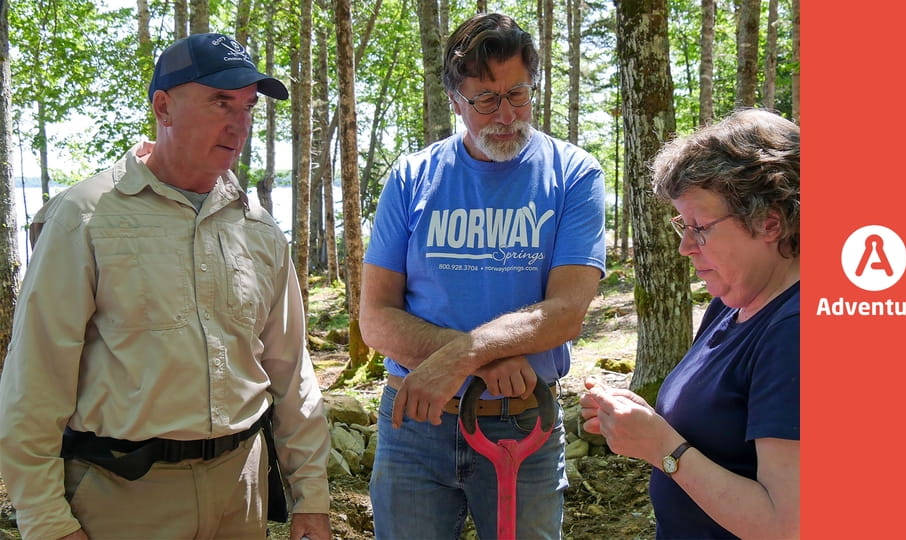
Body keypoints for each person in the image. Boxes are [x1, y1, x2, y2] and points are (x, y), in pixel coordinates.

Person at [0, 33, 332, 540]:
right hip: (123, 495)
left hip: (242, 491)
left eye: (247, 107)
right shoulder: (86, 218)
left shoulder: (258, 229)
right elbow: (34, 379)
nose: (239, 124)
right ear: (163, 107)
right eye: (220, 102)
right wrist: (47, 521)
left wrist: (312, 495)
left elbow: (290, 370)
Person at [359, 12, 606, 540]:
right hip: (416, 420)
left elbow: (566, 312)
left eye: (518, 94)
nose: (506, 115)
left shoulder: (574, 174)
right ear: (455, 101)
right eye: (486, 100)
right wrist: (479, 359)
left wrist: (463, 358)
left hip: (524, 422)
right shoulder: (411, 178)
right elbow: (376, 318)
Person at [580, 108, 800, 539]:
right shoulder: (732, 303)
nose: (685, 246)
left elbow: (785, 526)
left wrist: (662, 448)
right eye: (683, 225)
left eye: (699, 227)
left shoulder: (795, 333)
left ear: (769, 223)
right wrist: (641, 422)